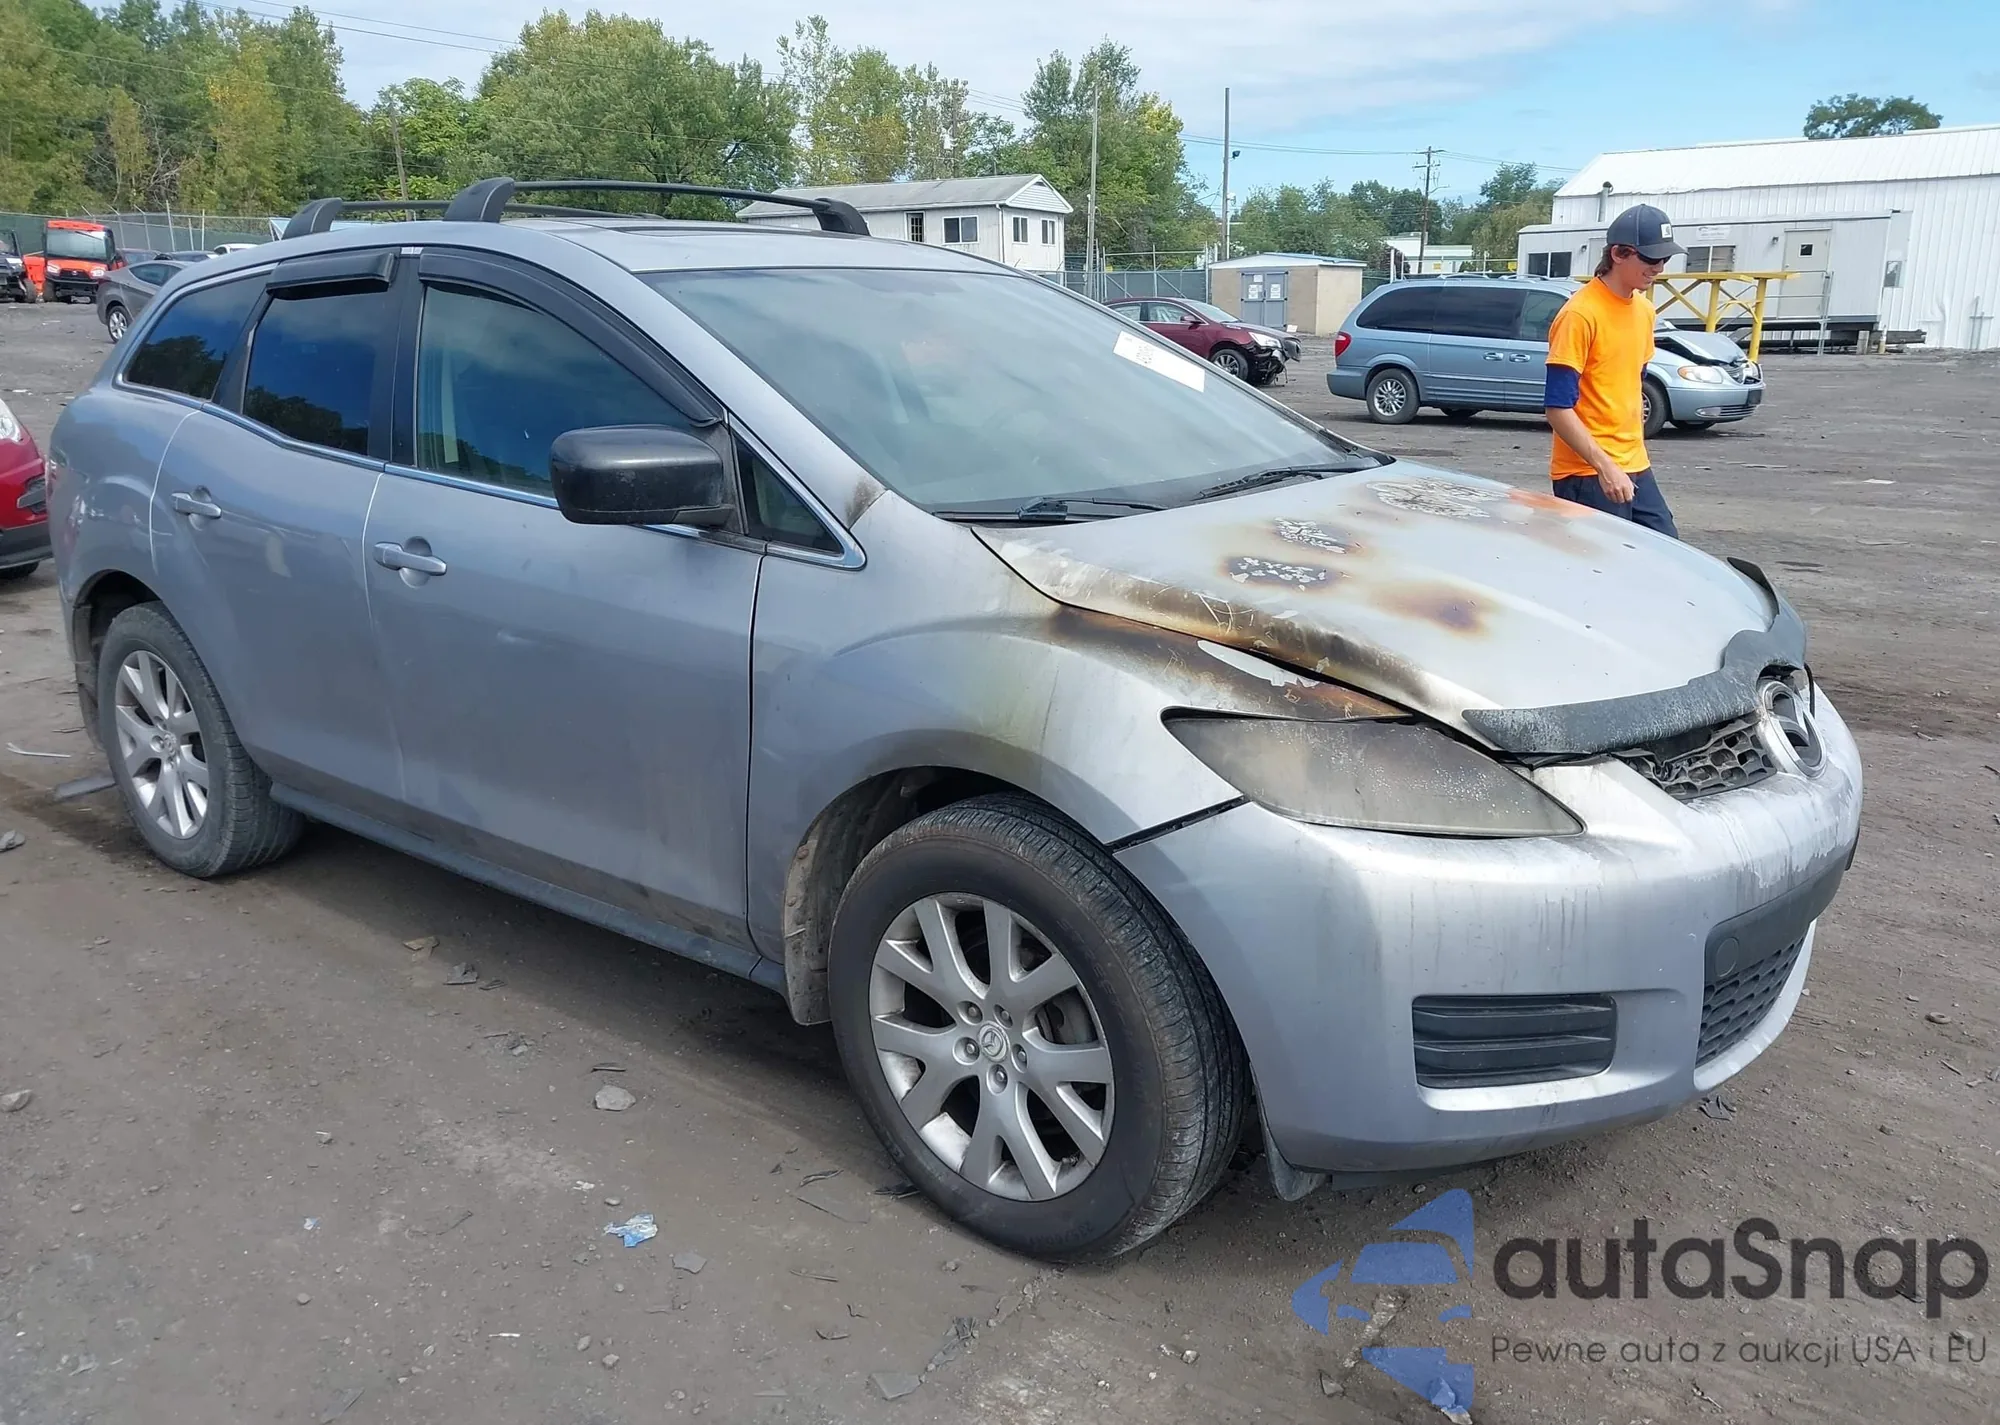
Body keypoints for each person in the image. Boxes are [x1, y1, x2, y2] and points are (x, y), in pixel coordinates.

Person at [1543, 204, 1684, 538]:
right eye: (1651, 258)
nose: (1659, 268)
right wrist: (1605, 467)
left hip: (1634, 464)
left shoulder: (1645, 312)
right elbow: (1557, 408)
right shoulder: (1580, 315)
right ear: (1619, 253)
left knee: (1668, 551)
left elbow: (1631, 385)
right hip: (1586, 472)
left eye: (1665, 259)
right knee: (1601, 564)